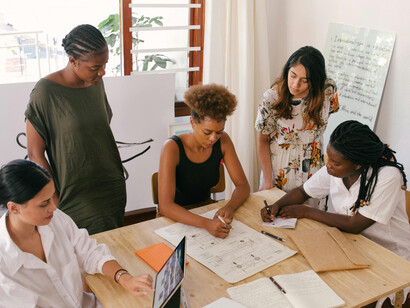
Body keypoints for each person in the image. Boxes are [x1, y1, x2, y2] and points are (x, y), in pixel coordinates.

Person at [261, 120, 410, 308]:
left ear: (357, 164)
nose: (328, 165)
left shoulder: (387, 176)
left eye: (335, 163)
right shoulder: (334, 170)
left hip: (388, 254)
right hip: (348, 245)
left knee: (360, 299)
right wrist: (276, 206)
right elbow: (302, 192)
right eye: (328, 159)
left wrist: (307, 212)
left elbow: (355, 225)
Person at [0, 159, 153, 307]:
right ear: (14, 208)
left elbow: (90, 252)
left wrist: (124, 278)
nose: (53, 207)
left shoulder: (54, 219)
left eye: (52, 197)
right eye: (44, 203)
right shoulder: (3, 263)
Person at [25, 24, 126, 234]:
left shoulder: (96, 82)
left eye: (105, 64)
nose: (102, 72)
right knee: (84, 253)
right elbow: (35, 152)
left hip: (110, 184)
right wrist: (52, 196)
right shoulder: (45, 92)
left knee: (114, 246)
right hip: (75, 192)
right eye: (95, 67)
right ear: (73, 60)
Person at [158, 84, 250, 238]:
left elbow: (243, 186)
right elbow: (166, 206)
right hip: (175, 218)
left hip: (206, 211)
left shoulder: (223, 141)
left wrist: (230, 207)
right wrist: (206, 224)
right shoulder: (172, 147)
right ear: (193, 122)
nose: (213, 139)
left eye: (219, 132)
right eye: (207, 132)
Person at [255, 46, 339, 204]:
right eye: (292, 75)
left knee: (312, 221)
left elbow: (328, 114)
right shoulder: (271, 98)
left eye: (304, 80)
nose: (295, 84)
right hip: (281, 169)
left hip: (315, 166)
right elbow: (262, 140)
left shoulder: (328, 91)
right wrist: (267, 180)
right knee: (278, 219)